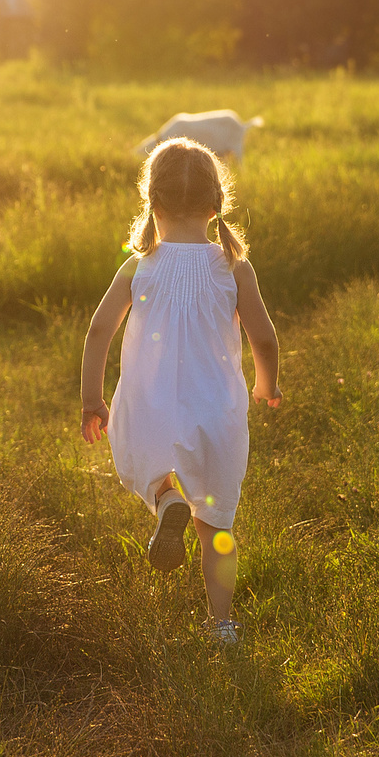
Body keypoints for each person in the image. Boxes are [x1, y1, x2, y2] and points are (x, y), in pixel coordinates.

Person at [79, 138, 281, 644]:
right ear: (216, 205)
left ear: (154, 204)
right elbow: (264, 337)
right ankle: (222, 625)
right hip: (218, 411)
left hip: (148, 404)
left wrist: (92, 399)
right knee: (216, 523)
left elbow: (99, 332)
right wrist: (265, 386)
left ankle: (165, 497)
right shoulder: (235, 267)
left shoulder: (138, 265)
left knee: (143, 464)